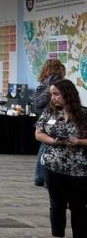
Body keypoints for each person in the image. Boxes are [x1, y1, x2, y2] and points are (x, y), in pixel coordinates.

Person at [34, 79, 87, 238]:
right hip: (53, 166)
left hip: (79, 169)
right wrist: (53, 141)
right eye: (51, 94)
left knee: (79, 207)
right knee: (57, 206)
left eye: (56, 94)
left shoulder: (84, 114)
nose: (53, 98)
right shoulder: (49, 112)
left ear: (68, 94)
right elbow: (38, 133)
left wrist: (79, 142)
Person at [32, 59, 66, 187]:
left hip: (42, 115)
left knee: (44, 144)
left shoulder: (44, 82)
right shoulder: (55, 81)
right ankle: (44, 177)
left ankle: (39, 176)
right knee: (49, 145)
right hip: (51, 115)